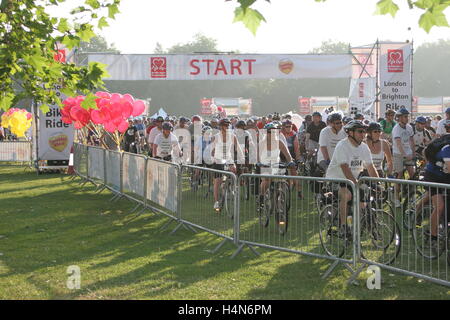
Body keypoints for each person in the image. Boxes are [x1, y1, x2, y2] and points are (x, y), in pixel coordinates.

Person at [326, 120, 379, 237]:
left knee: (364, 199)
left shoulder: (364, 147)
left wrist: (379, 183)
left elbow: (370, 166)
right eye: (360, 131)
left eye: (364, 131)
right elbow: (344, 167)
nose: (363, 134)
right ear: (350, 132)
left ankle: (356, 224)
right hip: (336, 178)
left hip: (352, 179)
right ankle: (343, 226)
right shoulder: (342, 145)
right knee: (347, 195)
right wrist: (355, 183)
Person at [422, 120, 450, 252]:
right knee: (439, 206)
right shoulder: (446, 148)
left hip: (445, 176)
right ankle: (433, 237)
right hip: (433, 175)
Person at [210, 118, 245, 211]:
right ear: (221, 126)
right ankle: (216, 201)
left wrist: (242, 158)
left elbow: (238, 148)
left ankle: (231, 187)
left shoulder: (232, 136)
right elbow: (211, 150)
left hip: (228, 159)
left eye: (228, 125)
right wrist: (213, 158)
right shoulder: (216, 137)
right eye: (225, 125)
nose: (227, 126)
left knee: (234, 169)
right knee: (217, 181)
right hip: (217, 159)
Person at [392, 107, 415, 208]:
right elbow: (398, 144)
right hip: (398, 154)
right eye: (405, 117)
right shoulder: (396, 129)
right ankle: (396, 198)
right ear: (399, 118)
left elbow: (411, 141)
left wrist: (413, 153)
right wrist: (405, 155)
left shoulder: (409, 127)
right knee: (399, 175)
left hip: (408, 153)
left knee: (412, 174)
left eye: (407, 117)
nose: (407, 118)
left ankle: (412, 196)